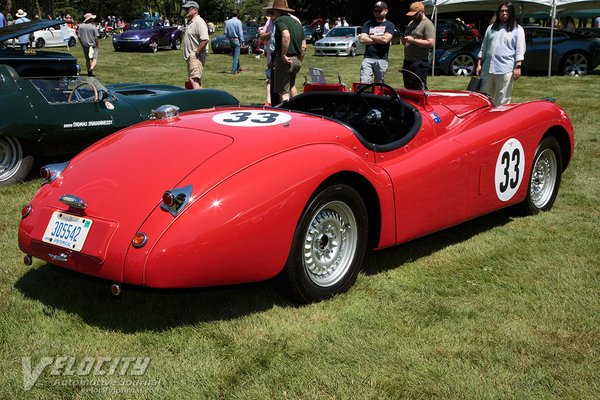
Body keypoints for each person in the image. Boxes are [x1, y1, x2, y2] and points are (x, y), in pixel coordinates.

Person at [476, 2, 525, 106]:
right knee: (483, 98)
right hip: (487, 68)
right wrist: (479, 64)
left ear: (511, 13)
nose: (504, 13)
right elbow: (483, 47)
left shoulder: (518, 30)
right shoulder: (491, 28)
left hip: (505, 69)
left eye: (507, 11)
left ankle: (500, 121)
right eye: (502, 11)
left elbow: (520, 50)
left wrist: (518, 67)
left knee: (502, 99)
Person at [270, 0, 306, 102]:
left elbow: (286, 35)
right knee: (292, 85)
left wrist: (283, 55)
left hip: (285, 60)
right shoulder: (296, 22)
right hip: (296, 59)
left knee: (283, 91)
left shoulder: (280, 20)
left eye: (273, 10)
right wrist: (299, 59)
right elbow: (304, 45)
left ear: (277, 10)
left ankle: (287, 111)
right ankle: (296, 109)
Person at [401, 1, 435, 90]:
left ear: (421, 11)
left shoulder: (427, 24)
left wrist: (413, 40)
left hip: (419, 63)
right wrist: (404, 40)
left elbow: (431, 43)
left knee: (420, 88)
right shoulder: (411, 23)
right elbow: (407, 40)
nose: (413, 16)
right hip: (408, 61)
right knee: (408, 88)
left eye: (415, 14)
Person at [358, 2, 395, 84]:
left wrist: (370, 36)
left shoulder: (390, 25)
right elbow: (362, 39)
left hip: (382, 59)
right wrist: (379, 38)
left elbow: (385, 40)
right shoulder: (368, 23)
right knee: (364, 82)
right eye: (375, 11)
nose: (377, 13)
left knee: (379, 85)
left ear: (386, 11)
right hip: (368, 58)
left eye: (379, 11)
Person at [182, 1, 209, 89]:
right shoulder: (192, 22)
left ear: (195, 10)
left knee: (194, 79)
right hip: (192, 57)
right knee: (194, 80)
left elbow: (205, 39)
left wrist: (196, 53)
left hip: (196, 56)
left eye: (188, 9)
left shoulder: (199, 22)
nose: (186, 11)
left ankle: (199, 101)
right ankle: (202, 100)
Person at [224, 10, 244, 74]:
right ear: (237, 15)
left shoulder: (227, 22)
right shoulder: (239, 22)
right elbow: (240, 32)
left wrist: (229, 37)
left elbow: (225, 32)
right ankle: (233, 70)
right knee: (236, 56)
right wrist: (242, 40)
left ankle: (238, 68)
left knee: (235, 55)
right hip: (236, 39)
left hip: (231, 40)